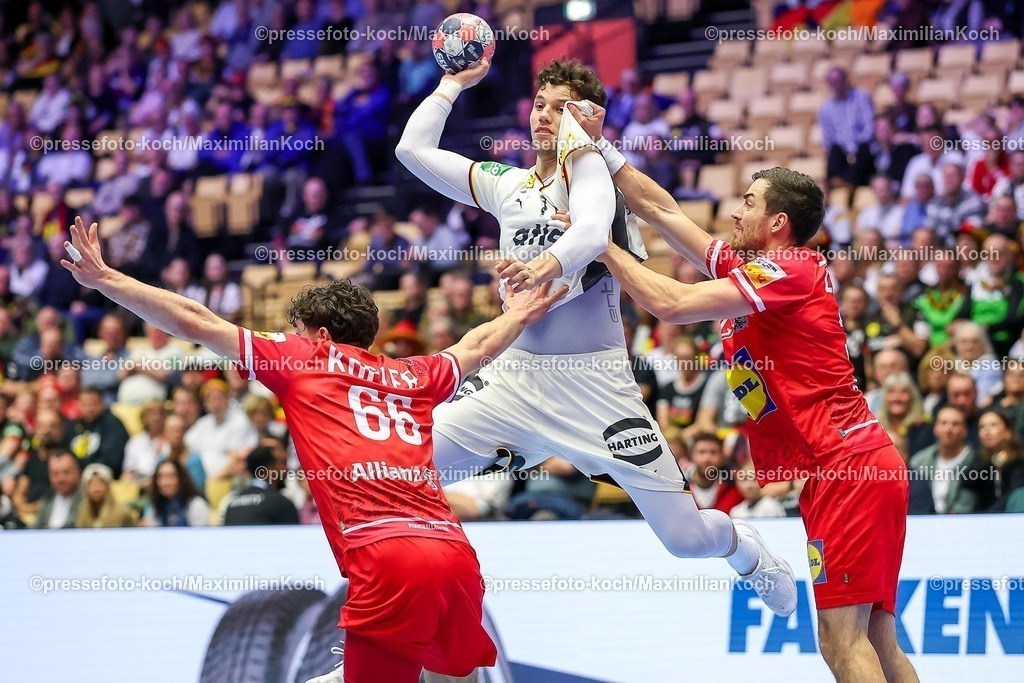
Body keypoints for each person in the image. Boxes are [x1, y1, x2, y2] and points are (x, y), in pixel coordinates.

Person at [58, 215, 567, 683]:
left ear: (319, 336)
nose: (288, 337)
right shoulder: (414, 372)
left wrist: (108, 280)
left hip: (384, 555)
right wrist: (520, 312)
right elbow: (476, 347)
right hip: (454, 555)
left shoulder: (305, 360)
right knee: (452, 677)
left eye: (295, 331)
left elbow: (196, 319)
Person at [395, 58, 796, 618]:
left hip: (595, 387)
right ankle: (393, 627)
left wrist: (545, 266)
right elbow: (412, 152)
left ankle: (745, 551)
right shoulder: (507, 185)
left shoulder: (593, 178)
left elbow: (588, 230)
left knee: (685, 540)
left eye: (561, 109)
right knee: (400, 472)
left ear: (584, 119)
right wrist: (452, 84)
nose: (546, 118)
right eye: (540, 105)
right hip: (513, 378)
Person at [569, 99, 918, 683]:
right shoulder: (757, 268)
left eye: (749, 203)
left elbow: (670, 304)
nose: (735, 212)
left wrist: (594, 244)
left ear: (777, 221)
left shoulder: (791, 269)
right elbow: (662, 209)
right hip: (851, 467)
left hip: (847, 468)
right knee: (875, 632)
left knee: (841, 640)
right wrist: (603, 149)